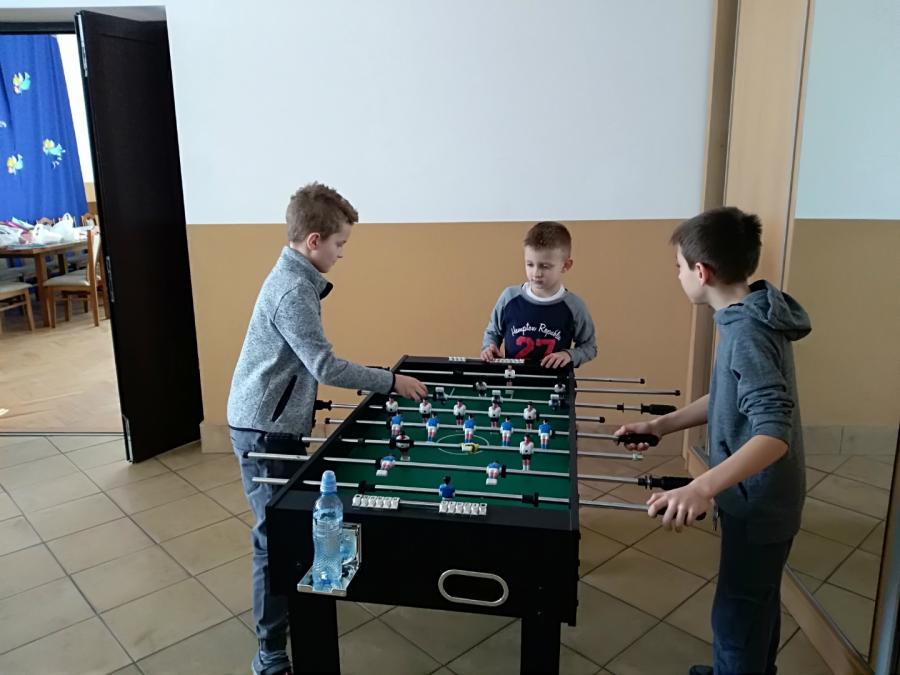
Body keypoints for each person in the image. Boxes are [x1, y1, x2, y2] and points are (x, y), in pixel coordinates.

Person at [227, 182, 426, 675]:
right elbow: (324, 365)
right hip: (263, 430)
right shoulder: (294, 289)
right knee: (272, 539)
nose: (342, 253)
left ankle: (295, 612)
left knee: (290, 528)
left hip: (272, 422)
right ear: (313, 240)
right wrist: (391, 381)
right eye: (340, 244)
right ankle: (270, 653)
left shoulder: (297, 277)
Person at [616, 206, 810, 675]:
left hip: (760, 503)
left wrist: (701, 487)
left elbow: (773, 432)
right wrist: (662, 426)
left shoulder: (745, 332)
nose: (678, 276)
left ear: (701, 272)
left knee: (736, 615)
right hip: (761, 497)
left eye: (679, 268)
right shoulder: (753, 311)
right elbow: (729, 396)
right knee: (756, 602)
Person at [481, 221, 597, 368]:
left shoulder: (574, 306)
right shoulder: (509, 297)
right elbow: (492, 332)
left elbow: (590, 347)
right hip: (512, 380)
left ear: (566, 265)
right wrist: (489, 347)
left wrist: (569, 355)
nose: (536, 273)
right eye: (530, 264)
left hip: (554, 381)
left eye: (545, 266)